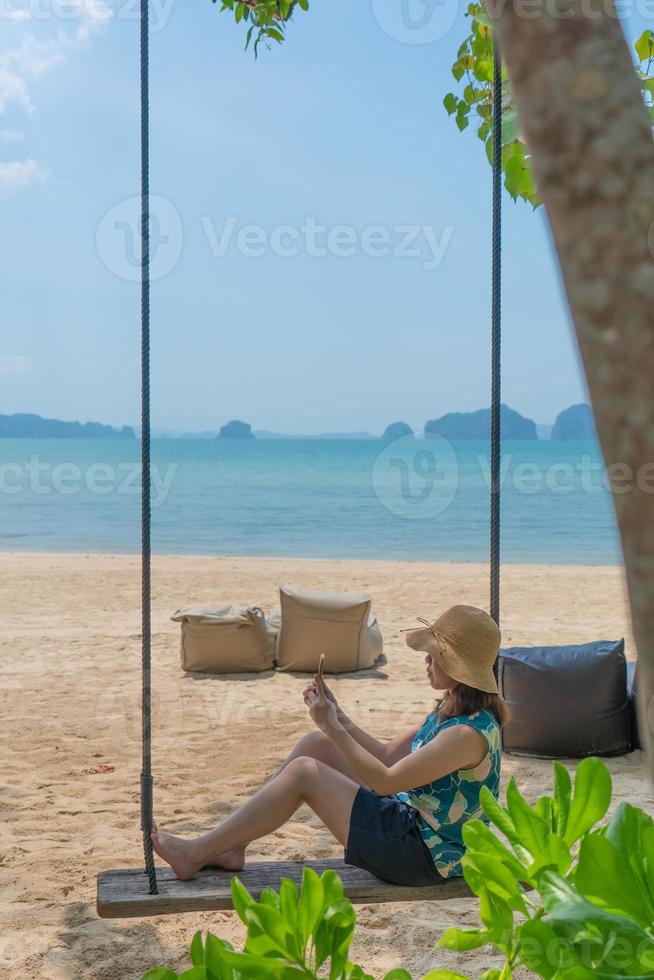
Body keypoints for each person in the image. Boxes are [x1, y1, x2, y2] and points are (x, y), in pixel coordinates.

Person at [151, 604, 508, 885]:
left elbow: (385, 780)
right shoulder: (453, 709)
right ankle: (231, 844)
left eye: (434, 654)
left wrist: (334, 726)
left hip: (420, 855)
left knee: (307, 772)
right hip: (410, 828)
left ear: (458, 667)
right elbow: (384, 755)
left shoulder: (464, 735)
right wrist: (338, 719)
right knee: (317, 745)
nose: (427, 660)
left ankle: (196, 853)